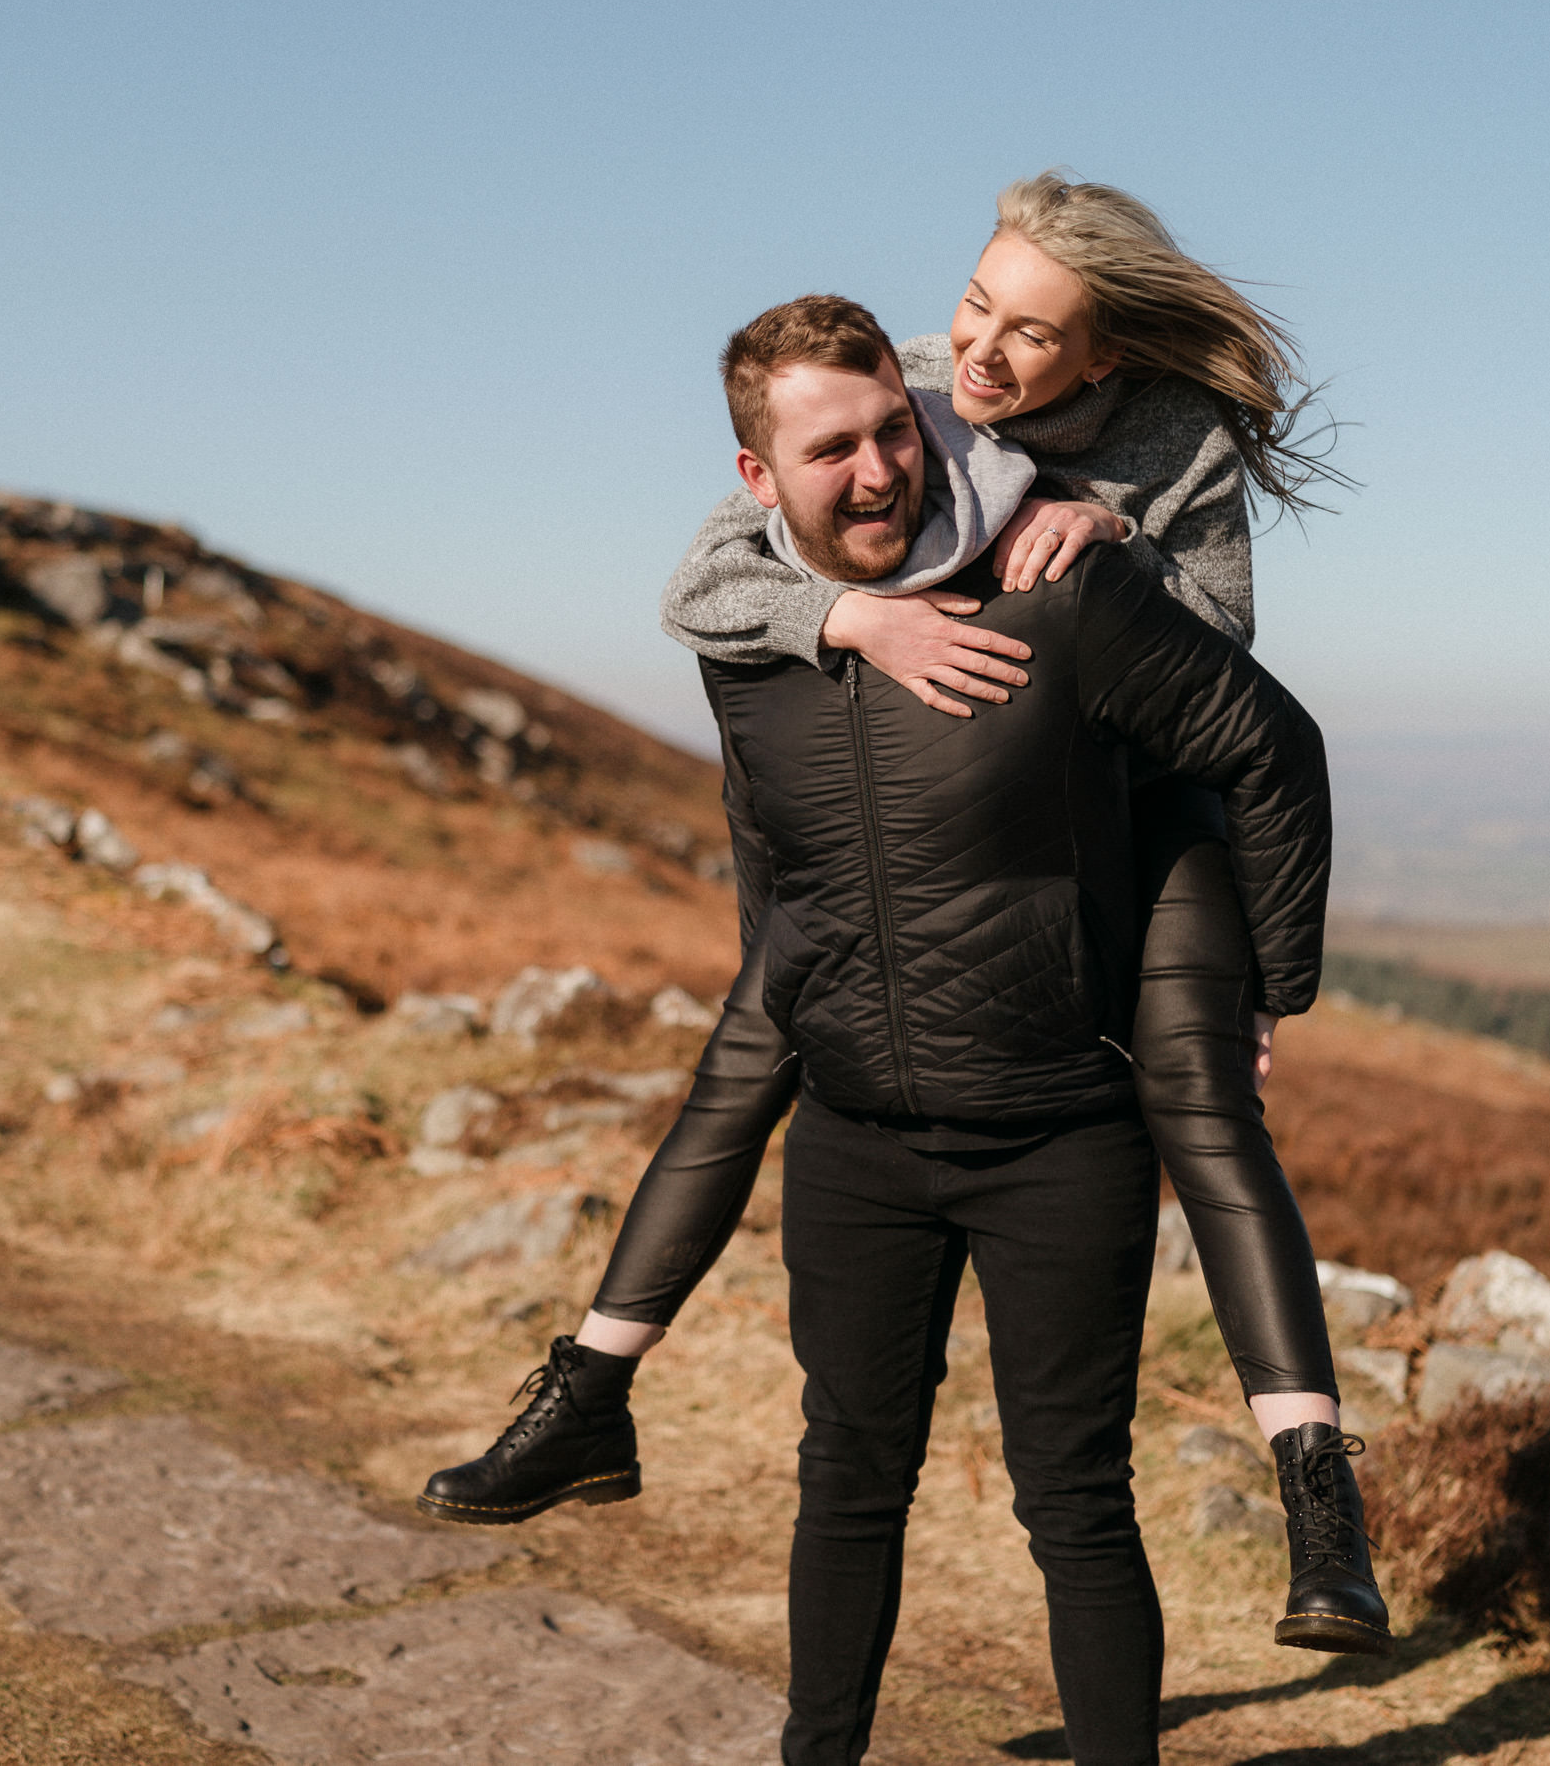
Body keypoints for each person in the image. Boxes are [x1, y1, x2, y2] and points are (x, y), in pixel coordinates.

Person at [423, 177, 1386, 1660]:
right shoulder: (916, 389)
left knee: (1203, 1100)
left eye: (1031, 333)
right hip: (955, 813)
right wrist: (848, 616)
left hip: (1148, 808)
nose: (982, 349)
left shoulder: (1177, 442)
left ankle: (1317, 1495)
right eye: (977, 302)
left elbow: (1220, 672)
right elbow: (714, 573)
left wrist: (1110, 541)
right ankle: (590, 1394)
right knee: (748, 1047)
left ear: (1104, 353)